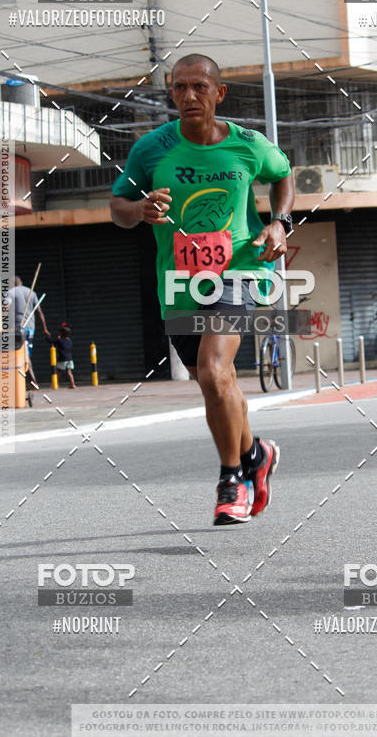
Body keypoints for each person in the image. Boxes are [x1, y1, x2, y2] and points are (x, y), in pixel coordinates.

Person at [110, 53, 295, 526]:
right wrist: (141, 211)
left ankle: (231, 480)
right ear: (171, 93)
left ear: (219, 93)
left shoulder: (249, 145)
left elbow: (282, 176)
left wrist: (280, 223)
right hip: (178, 282)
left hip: (238, 269)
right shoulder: (151, 149)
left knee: (215, 371)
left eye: (199, 87)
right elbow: (118, 206)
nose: (189, 96)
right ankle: (257, 454)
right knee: (216, 384)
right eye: (179, 88)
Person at [4, 275, 50, 389]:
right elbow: (39, 312)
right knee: (25, 352)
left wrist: (3, 325)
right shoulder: (31, 293)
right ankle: (26, 380)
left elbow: (6, 307)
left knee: (22, 354)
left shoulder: (11, 292)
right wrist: (45, 329)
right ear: (21, 281)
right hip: (30, 328)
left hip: (18, 328)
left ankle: (31, 379)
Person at [47, 323, 76, 389]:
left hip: (62, 359)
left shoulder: (60, 340)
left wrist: (47, 336)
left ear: (61, 333)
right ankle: (72, 384)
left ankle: (55, 383)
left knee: (58, 371)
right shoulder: (69, 340)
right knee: (69, 372)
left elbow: (51, 341)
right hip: (70, 359)